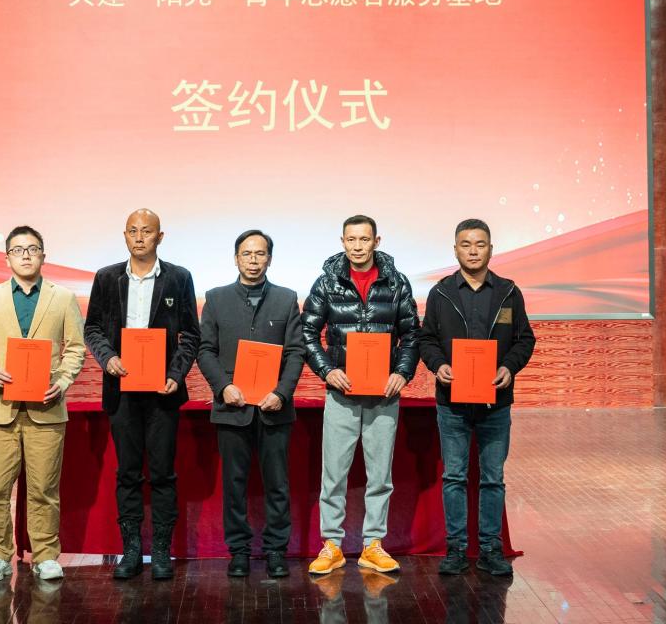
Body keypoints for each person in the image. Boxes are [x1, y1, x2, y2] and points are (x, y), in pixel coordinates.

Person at [83, 209, 201, 580]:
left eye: (146, 231)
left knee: (163, 473)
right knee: (128, 473)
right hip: (122, 390)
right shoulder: (106, 278)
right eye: (132, 231)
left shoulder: (179, 278)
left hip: (162, 391)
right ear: (124, 235)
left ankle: (162, 550)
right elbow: (92, 329)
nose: (139, 237)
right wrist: (108, 358)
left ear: (159, 237)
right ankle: (131, 550)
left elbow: (191, 335)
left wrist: (176, 374)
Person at [0, 225, 87, 583]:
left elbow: (75, 349)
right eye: (18, 250)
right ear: (7, 258)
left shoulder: (62, 298)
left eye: (32, 249)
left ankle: (45, 555)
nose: (26, 255)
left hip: (46, 410)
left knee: (44, 488)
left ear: (43, 256)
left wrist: (61, 383)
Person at [302, 214, 419, 575]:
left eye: (364, 239)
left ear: (376, 241)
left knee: (380, 476)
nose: (357, 246)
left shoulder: (397, 282)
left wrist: (402, 372)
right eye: (351, 240)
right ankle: (332, 545)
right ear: (342, 242)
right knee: (334, 474)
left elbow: (411, 334)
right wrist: (327, 370)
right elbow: (307, 334)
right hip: (342, 393)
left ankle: (373, 544)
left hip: (384, 394)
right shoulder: (327, 283)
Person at [419, 218, 535, 577]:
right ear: (455, 250)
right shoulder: (440, 293)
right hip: (452, 403)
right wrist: (438, 365)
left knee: (492, 478)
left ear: (490, 249)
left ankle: (490, 549)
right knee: (454, 476)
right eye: (466, 245)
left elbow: (525, 339)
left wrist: (509, 368)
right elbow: (426, 340)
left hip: (495, 404)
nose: (473, 251)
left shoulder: (508, 292)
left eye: (480, 244)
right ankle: (455, 550)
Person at [197, 229, 306, 578]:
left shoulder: (287, 299)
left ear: (269, 259)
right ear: (236, 259)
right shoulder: (216, 299)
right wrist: (223, 386)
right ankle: (239, 551)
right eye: (247, 254)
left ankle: (276, 550)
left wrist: (282, 392)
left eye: (260, 254)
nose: (253, 260)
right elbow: (205, 350)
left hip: (275, 408)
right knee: (234, 484)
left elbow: (296, 352)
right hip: (233, 407)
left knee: (278, 485)